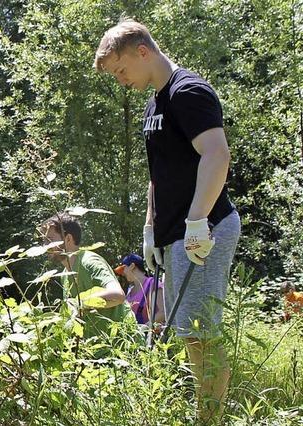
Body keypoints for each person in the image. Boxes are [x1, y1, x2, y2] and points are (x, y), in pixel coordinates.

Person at [94, 19, 241, 423]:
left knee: (201, 332)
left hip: (205, 231)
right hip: (175, 234)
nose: (121, 79)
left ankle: (210, 420)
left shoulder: (188, 91)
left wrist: (197, 222)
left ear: (143, 51)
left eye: (121, 69)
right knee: (187, 332)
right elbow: (158, 175)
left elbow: (216, 155)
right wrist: (150, 230)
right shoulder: (154, 104)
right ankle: (205, 415)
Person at [40, 212, 128, 339]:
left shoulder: (88, 261)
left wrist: (80, 303)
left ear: (68, 239)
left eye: (50, 240)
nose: (45, 246)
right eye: (44, 241)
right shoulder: (65, 274)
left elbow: (118, 295)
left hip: (121, 346)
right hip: (96, 351)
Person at [114, 253, 165, 325]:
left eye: (123, 269)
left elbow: (163, 313)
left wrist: (145, 327)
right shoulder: (129, 291)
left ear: (132, 266)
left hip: (152, 334)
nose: (122, 273)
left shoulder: (153, 284)